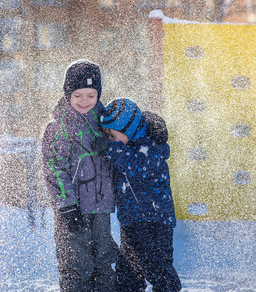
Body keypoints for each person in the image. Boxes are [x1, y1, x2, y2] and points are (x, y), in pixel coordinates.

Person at [41, 59, 117, 292]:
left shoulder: (106, 122)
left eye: (91, 95)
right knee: (76, 265)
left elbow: (125, 145)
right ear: (67, 95)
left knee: (105, 262)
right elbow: (53, 168)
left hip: (101, 209)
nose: (84, 102)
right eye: (77, 96)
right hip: (72, 211)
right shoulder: (58, 127)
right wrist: (66, 206)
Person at [92, 98, 182, 292]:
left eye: (112, 135)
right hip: (132, 221)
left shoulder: (150, 149)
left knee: (156, 265)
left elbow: (135, 167)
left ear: (129, 130)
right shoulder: (127, 146)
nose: (109, 140)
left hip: (154, 222)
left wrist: (110, 148)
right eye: (106, 136)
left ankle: (169, 288)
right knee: (128, 270)